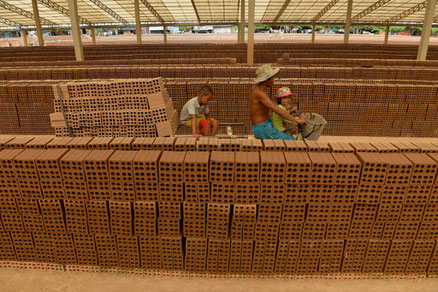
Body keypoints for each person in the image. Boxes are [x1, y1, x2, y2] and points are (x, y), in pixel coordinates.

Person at [249, 64, 306, 140]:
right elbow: (276, 109)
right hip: (263, 128)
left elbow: (272, 105)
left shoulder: (257, 87)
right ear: (267, 79)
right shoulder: (260, 93)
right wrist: (297, 119)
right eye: (272, 78)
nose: (274, 80)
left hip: (266, 124)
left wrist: (289, 111)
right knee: (292, 142)